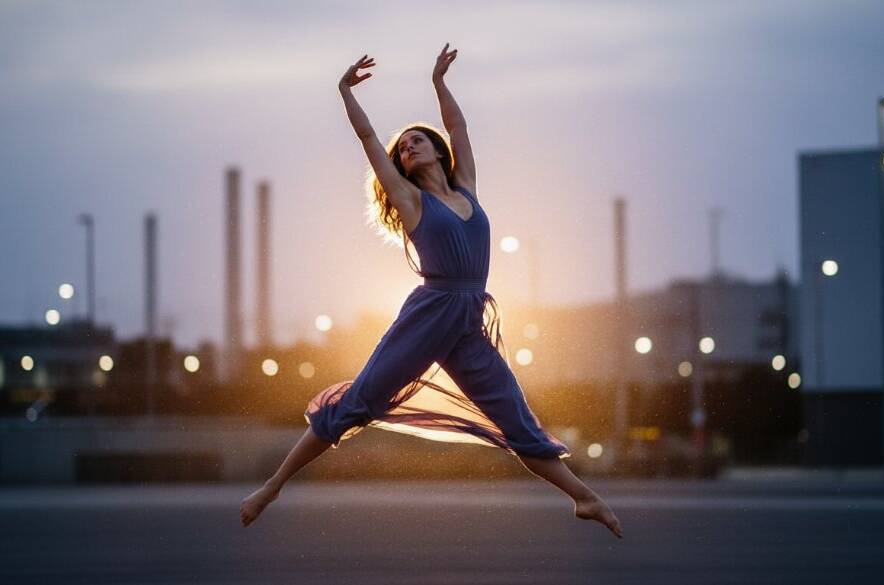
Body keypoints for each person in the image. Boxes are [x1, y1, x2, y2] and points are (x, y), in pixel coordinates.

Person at [240, 44, 623, 539]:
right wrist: (344, 92)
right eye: (403, 148)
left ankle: (584, 498)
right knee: (357, 404)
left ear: (438, 150)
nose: (409, 148)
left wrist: (439, 83)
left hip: (468, 319)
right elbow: (368, 138)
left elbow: (459, 128)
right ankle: (272, 487)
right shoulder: (410, 198)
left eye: (417, 141)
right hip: (429, 314)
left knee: (516, 419)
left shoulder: (466, 188)